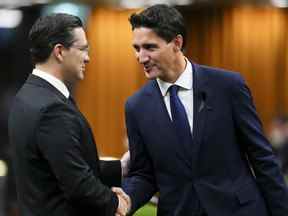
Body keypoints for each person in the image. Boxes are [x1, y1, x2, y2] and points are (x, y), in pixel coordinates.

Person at [121, 4, 288, 216]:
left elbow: (262, 157)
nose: (141, 57)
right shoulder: (136, 107)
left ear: (177, 43)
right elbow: (143, 174)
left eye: (150, 47)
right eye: (137, 48)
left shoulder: (228, 87)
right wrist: (125, 200)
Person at [8, 13, 130, 216]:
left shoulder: (27, 95)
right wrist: (115, 202)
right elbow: (77, 185)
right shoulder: (52, 108)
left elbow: (59, 166)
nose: (88, 58)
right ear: (59, 51)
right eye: (83, 49)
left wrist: (120, 168)